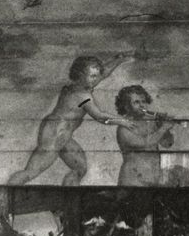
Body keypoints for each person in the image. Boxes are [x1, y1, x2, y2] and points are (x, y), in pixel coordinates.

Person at [7, 53, 135, 186]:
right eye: (92, 76)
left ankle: (69, 196)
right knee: (31, 171)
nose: (96, 79)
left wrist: (119, 60)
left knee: (79, 168)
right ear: (80, 75)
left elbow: (103, 73)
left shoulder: (76, 86)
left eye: (97, 75)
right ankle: (5, 192)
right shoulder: (83, 96)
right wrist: (122, 121)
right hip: (55, 132)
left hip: (61, 131)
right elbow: (100, 116)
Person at [114, 85, 177, 187]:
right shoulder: (124, 127)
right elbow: (144, 144)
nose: (142, 105)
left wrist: (163, 126)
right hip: (132, 181)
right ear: (126, 106)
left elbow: (167, 144)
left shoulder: (151, 122)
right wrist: (164, 128)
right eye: (136, 102)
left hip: (153, 180)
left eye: (143, 101)